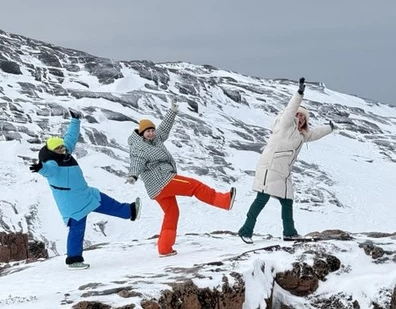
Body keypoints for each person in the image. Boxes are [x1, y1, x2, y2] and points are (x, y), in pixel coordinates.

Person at [31, 109, 141, 270]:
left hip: (85, 193)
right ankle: (74, 259)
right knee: (77, 230)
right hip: (73, 204)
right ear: (51, 152)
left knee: (106, 201)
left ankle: (129, 212)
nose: (63, 150)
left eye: (62, 147)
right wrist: (41, 168)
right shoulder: (53, 164)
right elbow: (49, 171)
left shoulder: (65, 152)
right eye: (59, 149)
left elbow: (70, 138)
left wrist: (75, 120)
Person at [127, 97, 235, 256]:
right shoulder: (139, 147)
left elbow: (164, 129)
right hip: (163, 180)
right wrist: (133, 175)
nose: (151, 133)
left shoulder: (156, 138)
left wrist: (172, 111)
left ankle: (164, 248)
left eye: (152, 130)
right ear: (141, 133)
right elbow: (137, 161)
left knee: (172, 213)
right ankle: (224, 201)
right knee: (195, 186)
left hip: (156, 190)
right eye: (147, 131)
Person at [238, 77, 335, 243]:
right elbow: (290, 110)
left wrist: (330, 128)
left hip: (283, 173)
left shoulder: (302, 135)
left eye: (303, 117)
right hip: (270, 167)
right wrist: (299, 94)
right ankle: (245, 231)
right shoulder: (284, 125)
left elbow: (315, 133)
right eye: (298, 115)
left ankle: (289, 232)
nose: (300, 118)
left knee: (287, 201)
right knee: (262, 199)